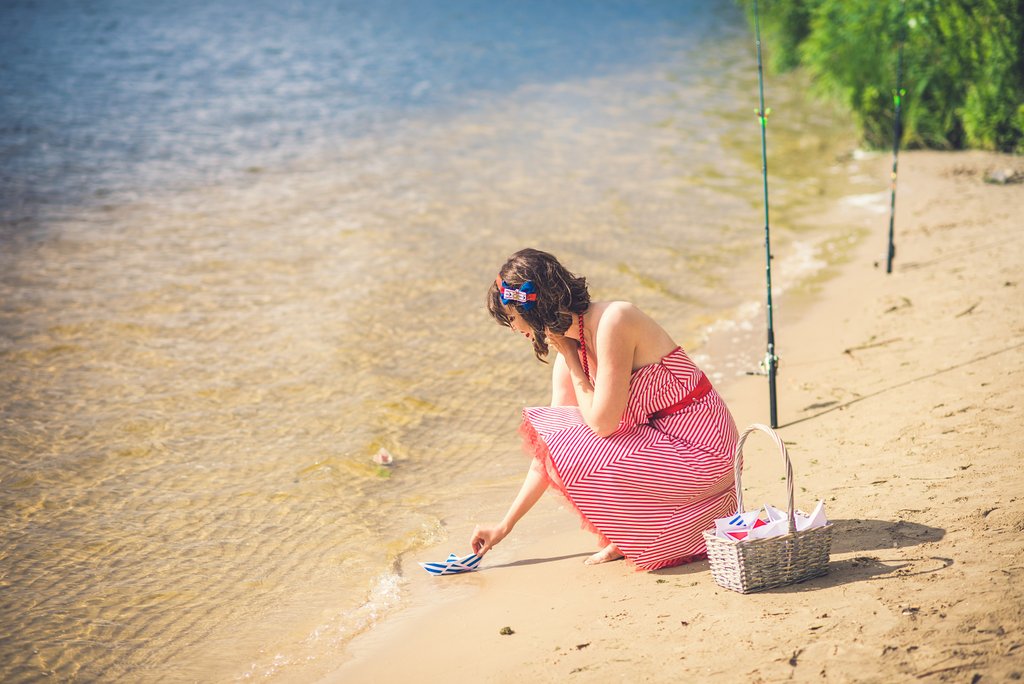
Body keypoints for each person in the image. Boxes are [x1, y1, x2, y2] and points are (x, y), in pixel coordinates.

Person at [470, 248, 740, 570]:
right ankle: (626, 535)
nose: (514, 330)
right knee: (556, 439)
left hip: (707, 453)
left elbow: (602, 424)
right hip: (671, 453)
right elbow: (548, 454)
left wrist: (571, 358)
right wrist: (504, 526)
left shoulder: (614, 320)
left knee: (578, 446)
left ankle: (628, 534)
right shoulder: (568, 354)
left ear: (532, 306)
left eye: (512, 318)